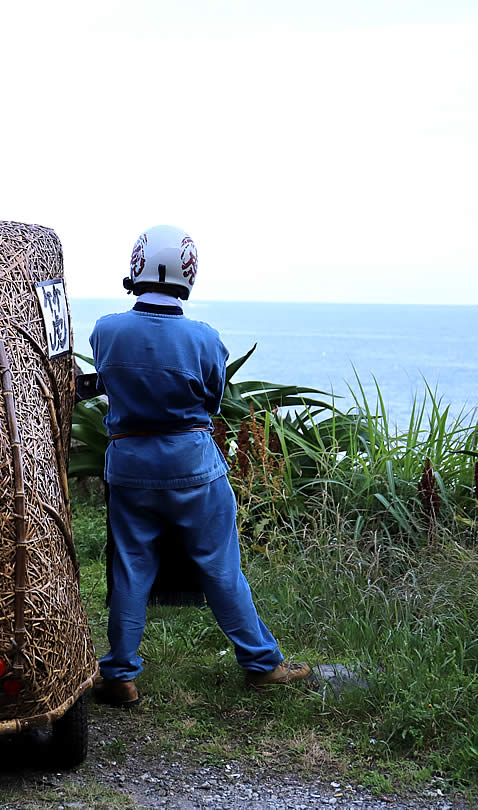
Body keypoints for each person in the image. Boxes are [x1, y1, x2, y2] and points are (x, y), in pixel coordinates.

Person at [90, 225, 310, 707]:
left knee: (130, 568)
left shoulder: (106, 330)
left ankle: (121, 675)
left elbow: (105, 379)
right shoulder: (203, 337)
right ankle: (262, 664)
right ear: (188, 272)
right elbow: (212, 398)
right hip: (193, 464)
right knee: (220, 567)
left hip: (128, 464)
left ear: (137, 266)